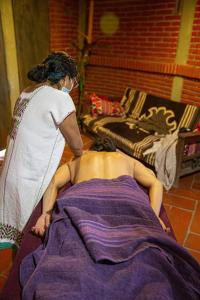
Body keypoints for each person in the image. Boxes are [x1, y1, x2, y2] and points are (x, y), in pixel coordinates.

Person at [0, 51, 83, 249]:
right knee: (31, 242)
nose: (72, 86)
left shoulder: (27, 91)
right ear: (64, 79)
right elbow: (78, 146)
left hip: (9, 177)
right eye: (72, 80)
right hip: (30, 182)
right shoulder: (60, 99)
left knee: (15, 240)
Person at [32, 137, 165, 237]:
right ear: (113, 150)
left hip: (85, 199)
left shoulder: (79, 157)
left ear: (91, 149)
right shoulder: (125, 158)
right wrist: (153, 216)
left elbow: (53, 181)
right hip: (124, 198)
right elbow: (156, 183)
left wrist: (45, 214)